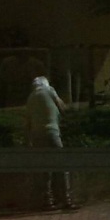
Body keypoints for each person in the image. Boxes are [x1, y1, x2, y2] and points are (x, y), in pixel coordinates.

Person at [25, 75, 72, 209]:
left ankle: (47, 200)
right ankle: (66, 199)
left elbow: (27, 123)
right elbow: (61, 106)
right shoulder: (49, 90)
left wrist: (28, 141)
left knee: (44, 168)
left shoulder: (30, 98)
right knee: (62, 165)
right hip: (52, 132)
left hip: (37, 135)